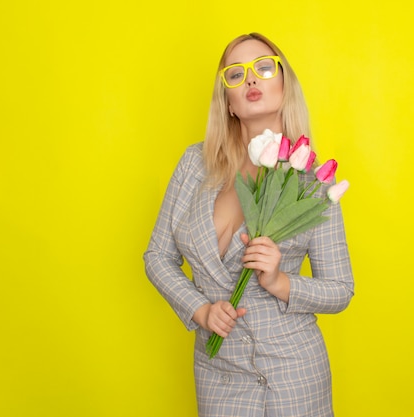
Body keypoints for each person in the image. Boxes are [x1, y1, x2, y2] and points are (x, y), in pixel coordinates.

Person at [143, 32, 354, 417]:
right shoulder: (195, 164)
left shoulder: (311, 181)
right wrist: (200, 310)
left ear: (284, 83)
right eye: (235, 75)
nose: (251, 79)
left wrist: (279, 281)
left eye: (263, 68)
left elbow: (340, 289)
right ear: (227, 102)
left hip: (291, 375)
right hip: (217, 374)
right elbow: (157, 256)